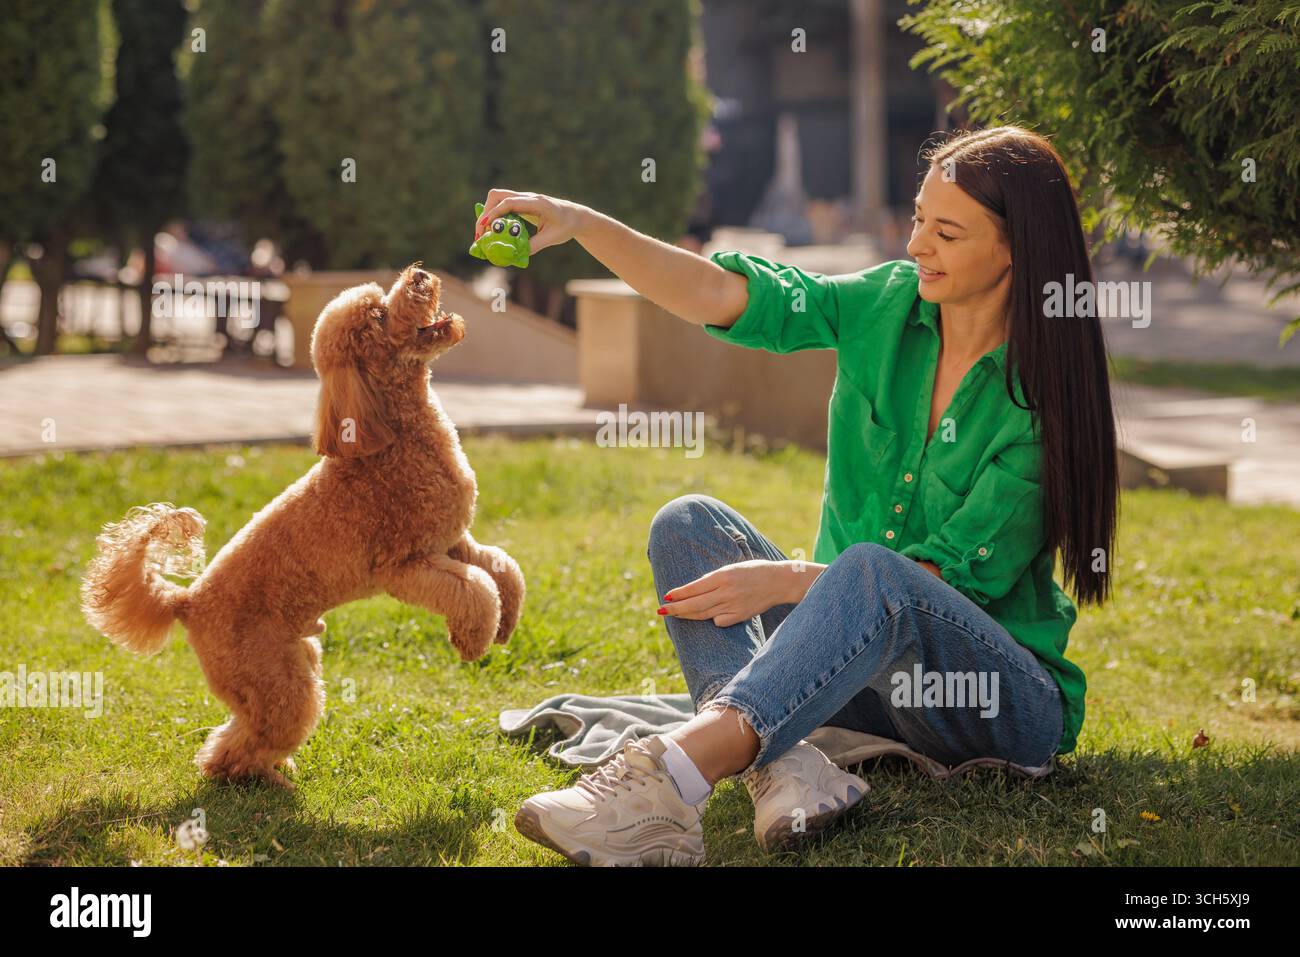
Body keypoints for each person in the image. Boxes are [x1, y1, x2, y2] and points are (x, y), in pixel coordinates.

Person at [486, 125, 1117, 866]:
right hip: (865, 672)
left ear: (1016, 249)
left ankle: (668, 778)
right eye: (918, 218)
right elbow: (721, 293)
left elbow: (937, 589)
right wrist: (581, 221)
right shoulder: (886, 303)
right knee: (688, 524)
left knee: (875, 569)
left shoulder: (1037, 398)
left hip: (990, 702)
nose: (917, 245)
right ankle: (782, 766)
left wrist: (789, 581)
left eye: (947, 232)